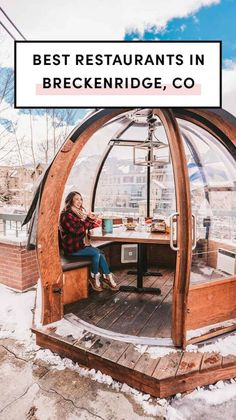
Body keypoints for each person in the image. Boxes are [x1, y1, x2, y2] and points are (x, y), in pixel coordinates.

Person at [59, 191, 118, 292]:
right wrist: (88, 220)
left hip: (80, 244)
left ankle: (106, 277)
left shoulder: (77, 213)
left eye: (81, 199)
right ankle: (95, 278)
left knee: (100, 253)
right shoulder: (66, 215)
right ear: (70, 200)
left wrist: (92, 219)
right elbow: (77, 231)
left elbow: (85, 226)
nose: (79, 201)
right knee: (96, 253)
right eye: (76, 199)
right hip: (72, 248)